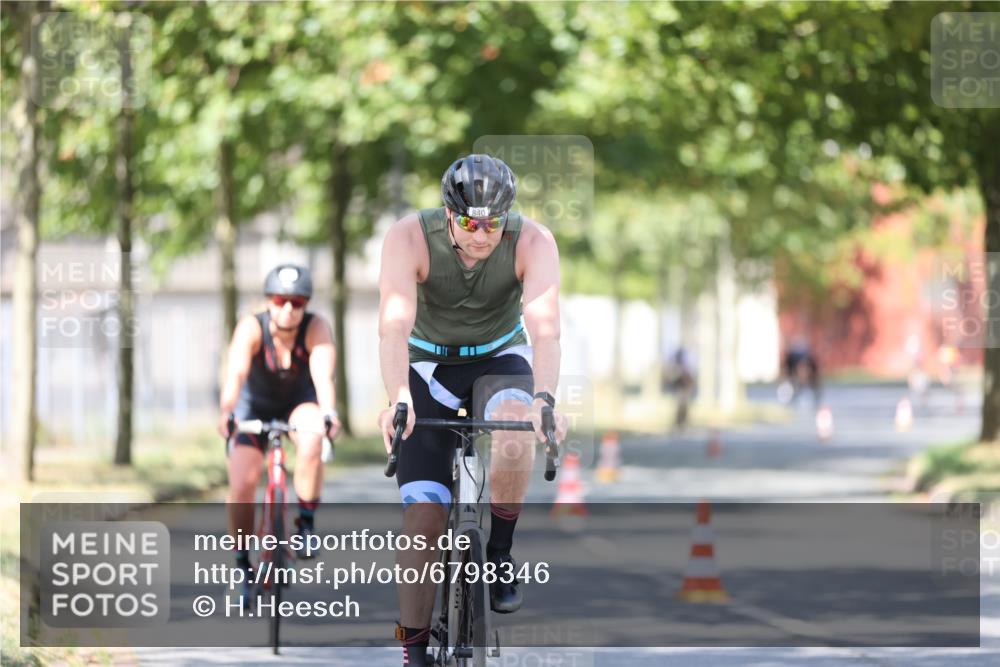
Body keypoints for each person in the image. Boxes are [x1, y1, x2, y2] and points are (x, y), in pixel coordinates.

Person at [377, 154, 568, 666]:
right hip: (427, 367)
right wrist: (397, 395)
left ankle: (500, 551)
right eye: (468, 222)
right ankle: (413, 647)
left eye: (493, 222)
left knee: (514, 424)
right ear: (448, 213)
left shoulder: (533, 242)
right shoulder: (409, 238)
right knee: (424, 515)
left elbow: (545, 329)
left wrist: (545, 400)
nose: (482, 235)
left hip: (497, 357)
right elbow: (394, 326)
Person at [217, 264, 341, 604]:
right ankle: (242, 565)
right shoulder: (251, 328)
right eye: (280, 299)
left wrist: (329, 413)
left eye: (298, 302)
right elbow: (236, 373)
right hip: (252, 409)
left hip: (298, 405)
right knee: (242, 483)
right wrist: (226, 412)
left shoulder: (316, 328)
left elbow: (323, 377)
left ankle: (306, 524)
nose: (288, 308)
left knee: (314, 436)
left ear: (306, 304)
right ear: (268, 300)